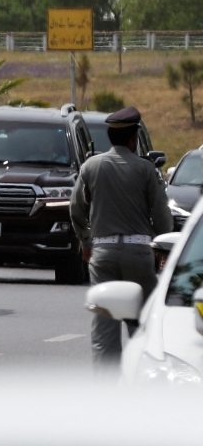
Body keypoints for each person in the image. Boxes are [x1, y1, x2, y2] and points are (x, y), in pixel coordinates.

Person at [70, 106, 173, 367]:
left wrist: (86, 242)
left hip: (103, 254)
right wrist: (162, 249)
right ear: (133, 138)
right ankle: (143, 381)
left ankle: (107, 393)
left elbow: (76, 210)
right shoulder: (147, 170)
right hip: (139, 256)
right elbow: (162, 217)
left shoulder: (91, 166)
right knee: (143, 324)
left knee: (105, 329)